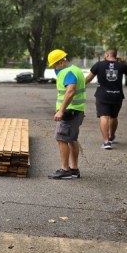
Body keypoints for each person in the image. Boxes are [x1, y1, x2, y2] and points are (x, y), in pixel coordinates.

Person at [47, 49, 86, 180]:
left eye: (54, 64)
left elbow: (70, 91)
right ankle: (74, 169)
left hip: (69, 111)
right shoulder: (76, 70)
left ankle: (65, 169)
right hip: (77, 111)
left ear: (61, 62)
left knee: (61, 138)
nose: (54, 68)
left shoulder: (67, 72)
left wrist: (61, 110)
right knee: (72, 139)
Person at [85, 48, 127, 150]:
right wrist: (124, 63)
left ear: (107, 55)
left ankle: (106, 142)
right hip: (117, 95)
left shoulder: (99, 65)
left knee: (104, 116)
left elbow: (88, 79)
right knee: (114, 116)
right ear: (115, 55)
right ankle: (111, 136)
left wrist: (78, 86)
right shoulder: (121, 65)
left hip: (102, 95)